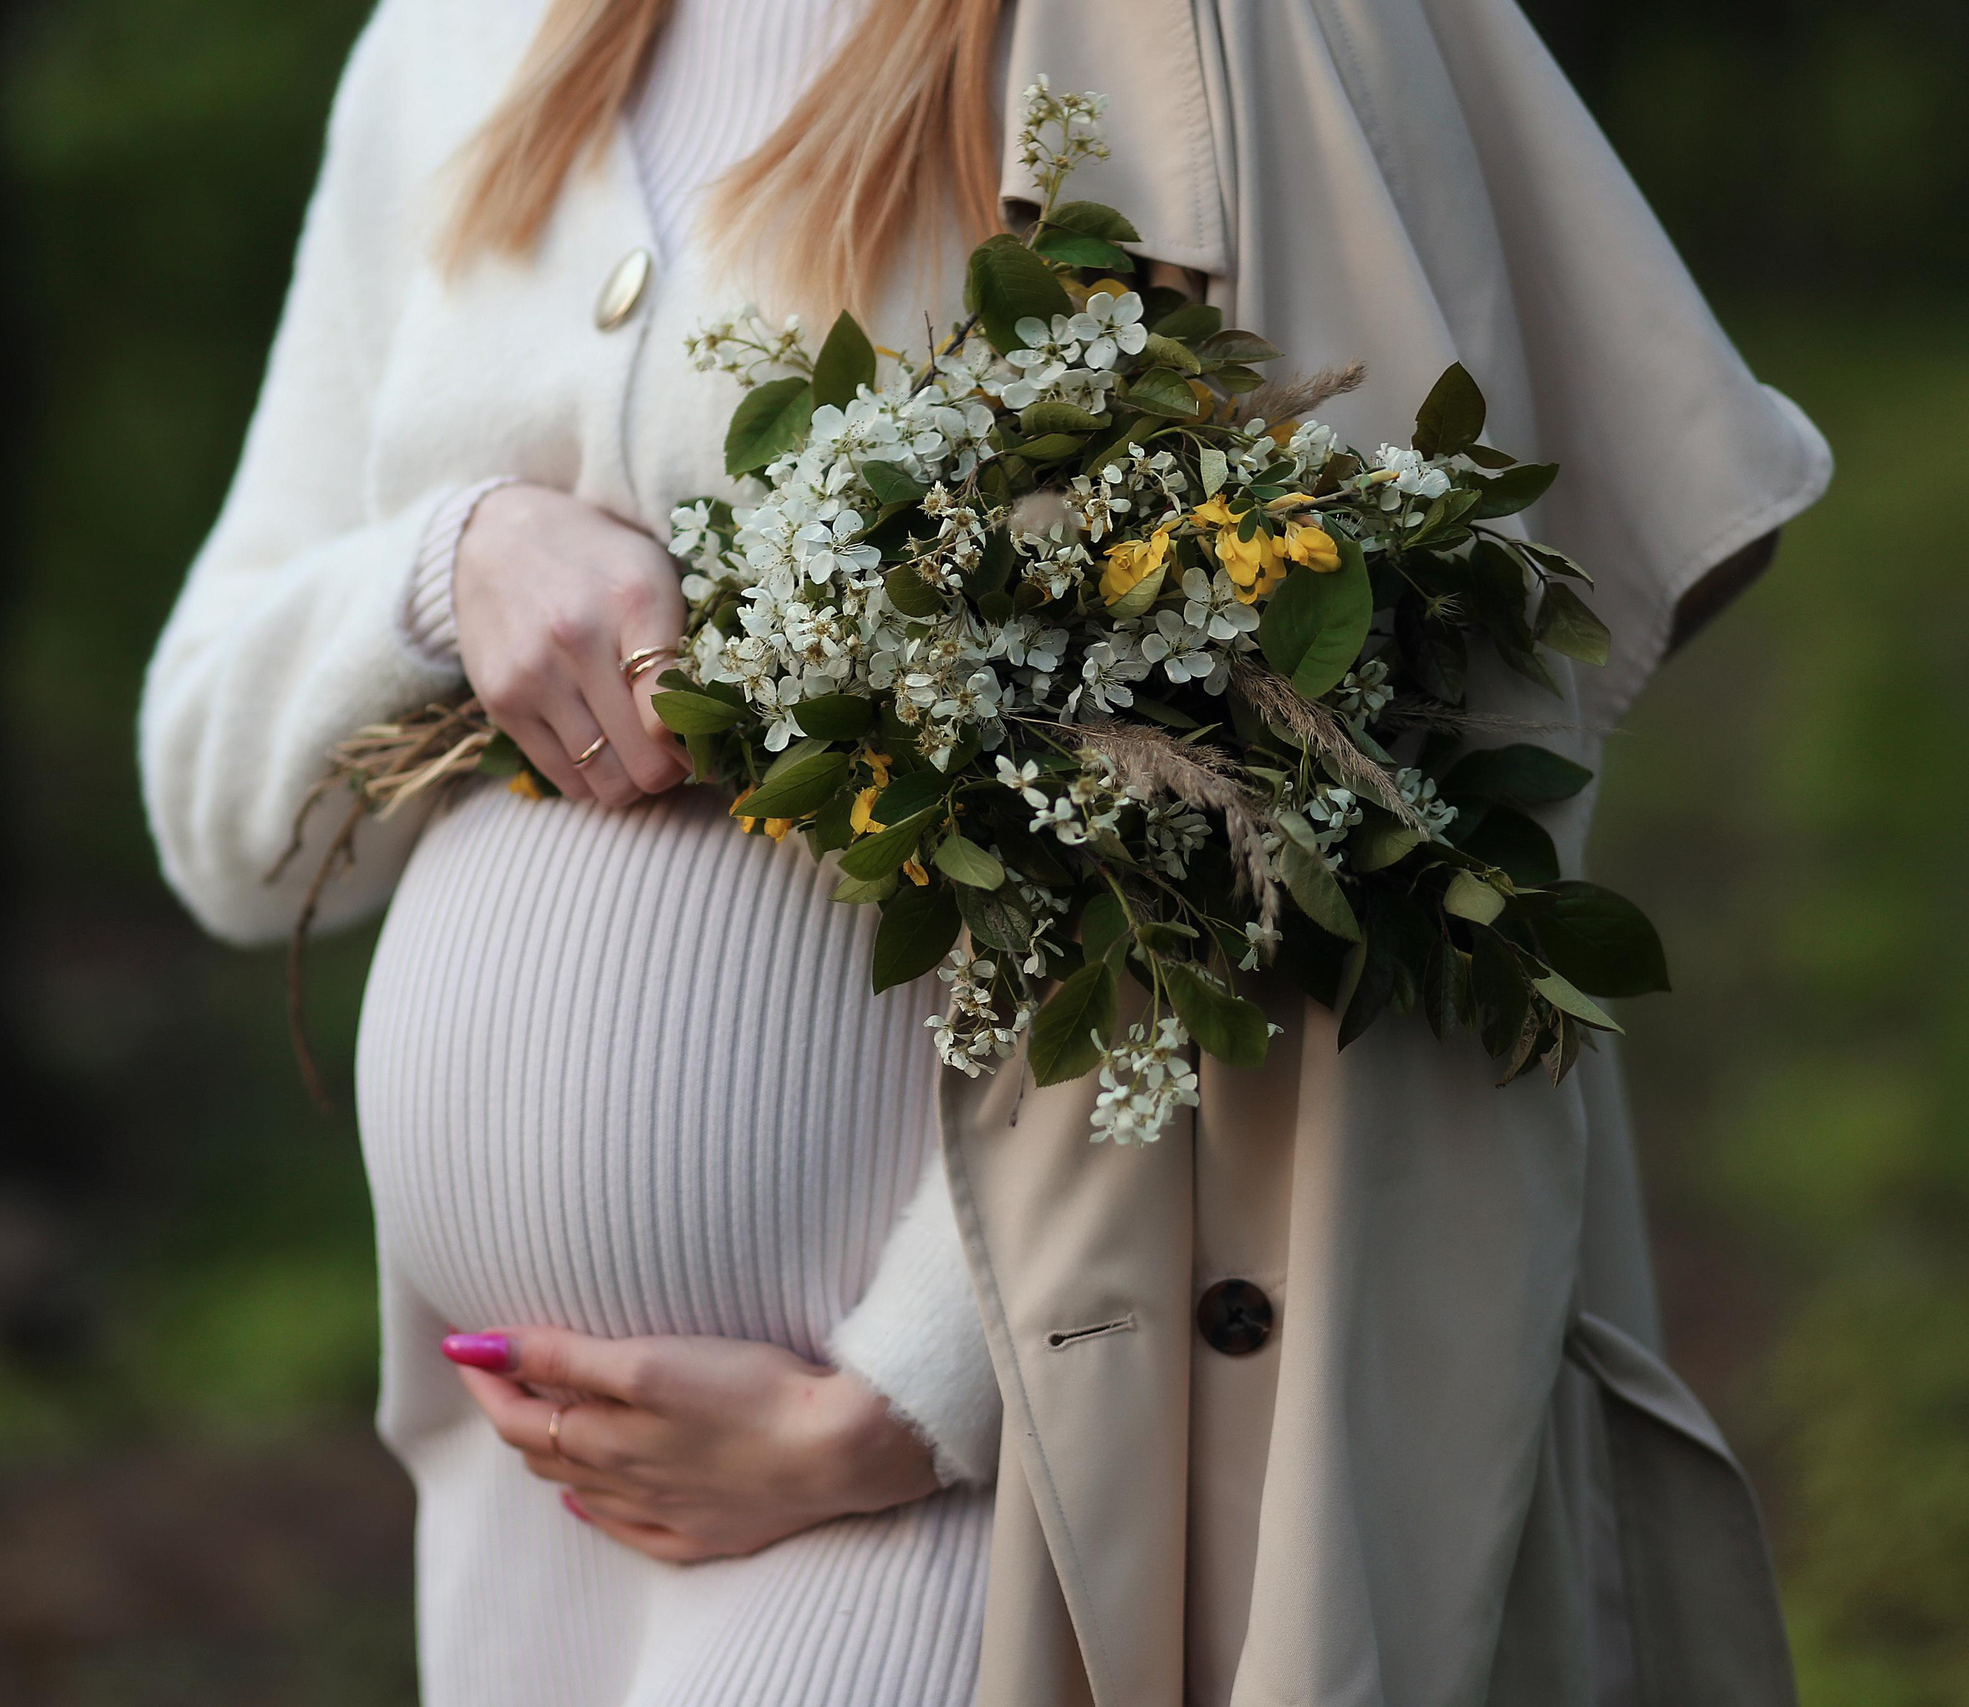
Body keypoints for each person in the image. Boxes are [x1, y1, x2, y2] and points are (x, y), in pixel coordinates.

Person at [139, 1, 1831, 1702]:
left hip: (982, 1493)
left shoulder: (1181, 43)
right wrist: (448, 568)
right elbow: (222, 822)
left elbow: (1364, 773)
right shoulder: (458, 38)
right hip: (530, 1509)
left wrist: (925, 1391)